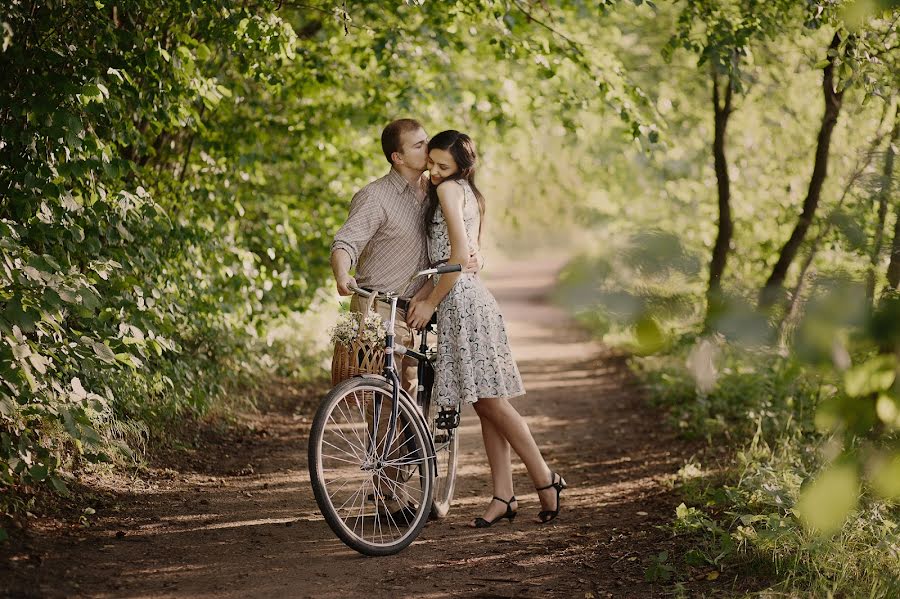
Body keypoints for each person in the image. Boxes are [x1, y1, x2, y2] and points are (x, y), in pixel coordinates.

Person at [407, 130, 567, 526]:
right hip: (468, 297)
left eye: (443, 166)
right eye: (432, 162)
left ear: (462, 167)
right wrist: (427, 290)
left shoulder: (447, 192)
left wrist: (429, 300)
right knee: (484, 402)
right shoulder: (466, 192)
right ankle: (504, 496)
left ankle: (546, 480)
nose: (434, 171)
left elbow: (459, 257)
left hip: (462, 303)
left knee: (491, 402)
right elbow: (462, 257)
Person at [331, 118, 478, 397]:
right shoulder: (375, 197)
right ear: (397, 157)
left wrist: (477, 256)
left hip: (418, 312)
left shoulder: (435, 190)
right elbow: (346, 242)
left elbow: (461, 232)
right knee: (383, 403)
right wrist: (341, 274)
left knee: (410, 403)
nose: (428, 148)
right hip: (379, 309)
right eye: (419, 145)